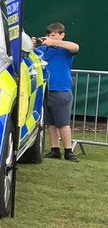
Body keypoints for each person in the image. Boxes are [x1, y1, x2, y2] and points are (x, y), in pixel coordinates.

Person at [32, 22, 81, 162]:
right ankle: (55, 149)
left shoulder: (65, 50)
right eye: (48, 35)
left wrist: (54, 42)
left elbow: (76, 47)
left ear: (62, 35)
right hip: (46, 89)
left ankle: (68, 151)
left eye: (53, 35)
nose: (50, 38)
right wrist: (33, 45)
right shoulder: (43, 49)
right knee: (51, 123)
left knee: (63, 122)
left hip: (61, 90)